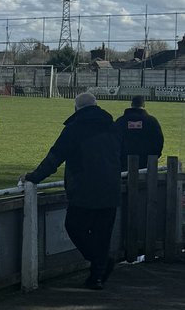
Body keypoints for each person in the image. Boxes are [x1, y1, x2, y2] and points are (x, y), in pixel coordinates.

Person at [24, 92, 122, 290]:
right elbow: (122, 152)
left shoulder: (74, 129)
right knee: (102, 234)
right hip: (111, 187)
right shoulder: (112, 126)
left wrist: (33, 177)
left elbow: (55, 157)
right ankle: (96, 277)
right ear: (96, 105)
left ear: (76, 108)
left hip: (84, 188)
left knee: (74, 226)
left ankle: (99, 265)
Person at [114, 96, 163, 170]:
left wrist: (118, 156)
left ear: (131, 104)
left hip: (123, 162)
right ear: (143, 105)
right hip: (146, 163)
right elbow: (159, 141)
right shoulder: (152, 121)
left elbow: (113, 140)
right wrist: (153, 156)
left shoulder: (120, 121)